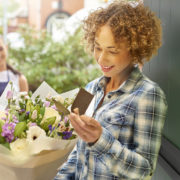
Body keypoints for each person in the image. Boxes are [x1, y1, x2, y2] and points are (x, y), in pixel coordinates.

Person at [54, 1, 167, 179]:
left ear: (135, 49)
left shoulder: (149, 95)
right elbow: (78, 153)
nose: (101, 59)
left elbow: (144, 171)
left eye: (112, 51)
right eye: (98, 47)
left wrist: (99, 140)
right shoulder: (91, 88)